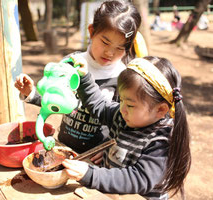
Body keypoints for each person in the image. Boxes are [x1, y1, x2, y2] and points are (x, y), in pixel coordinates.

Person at [15, 0, 141, 161]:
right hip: (63, 148)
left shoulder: (123, 77)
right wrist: (30, 94)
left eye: (119, 48)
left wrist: (109, 148)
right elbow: (54, 101)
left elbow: (123, 123)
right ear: (91, 31)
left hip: (94, 158)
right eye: (105, 42)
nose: (109, 52)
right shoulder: (71, 63)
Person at [62, 55, 191, 199]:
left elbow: (138, 178)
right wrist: (84, 78)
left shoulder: (162, 141)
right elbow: (98, 104)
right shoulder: (124, 115)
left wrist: (91, 175)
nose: (122, 108)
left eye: (129, 104)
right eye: (121, 99)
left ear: (160, 110)